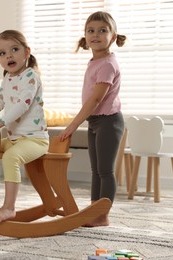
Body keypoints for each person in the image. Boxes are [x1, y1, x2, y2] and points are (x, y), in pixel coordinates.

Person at [58, 11, 126, 227]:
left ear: (113, 37)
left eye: (102, 30)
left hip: (109, 121)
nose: (95, 34)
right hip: (96, 121)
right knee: (96, 170)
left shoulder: (107, 64)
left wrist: (73, 124)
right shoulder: (95, 62)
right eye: (91, 30)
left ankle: (103, 215)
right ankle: (94, 210)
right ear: (85, 36)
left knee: (105, 171)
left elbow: (96, 99)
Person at [0, 30, 49, 224]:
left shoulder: (30, 76)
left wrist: (0, 122)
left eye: (14, 49)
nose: (9, 55)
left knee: (11, 157)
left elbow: (23, 103)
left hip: (35, 139)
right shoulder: (7, 79)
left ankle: (9, 207)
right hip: (14, 139)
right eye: (2, 53)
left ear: (26, 52)